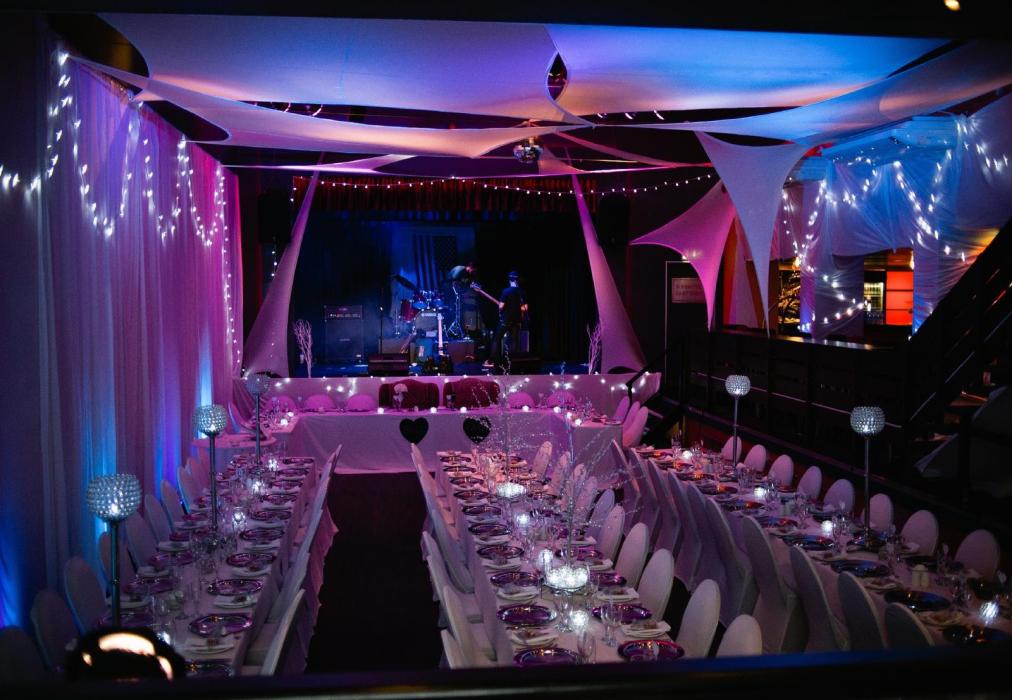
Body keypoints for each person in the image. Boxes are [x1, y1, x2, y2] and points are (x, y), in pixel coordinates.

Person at [487, 271, 527, 371]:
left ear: (510, 280)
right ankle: (513, 361)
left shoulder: (506, 291)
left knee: (497, 339)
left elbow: (501, 306)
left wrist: (502, 308)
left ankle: (492, 361)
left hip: (506, 319)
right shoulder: (522, 292)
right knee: (514, 340)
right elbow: (525, 308)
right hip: (517, 320)